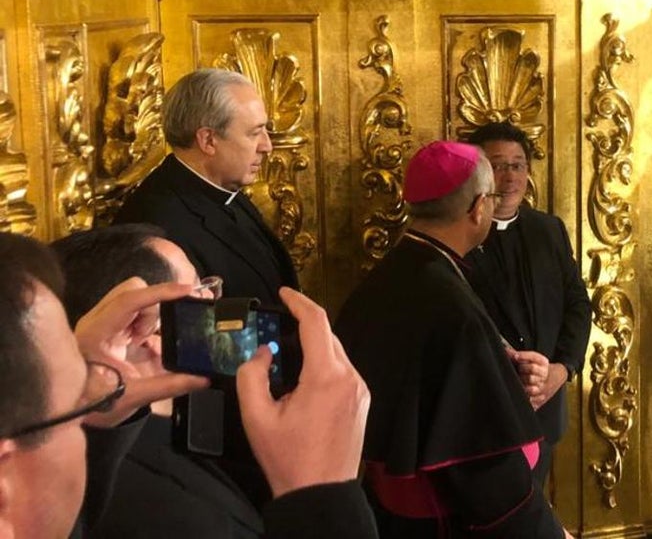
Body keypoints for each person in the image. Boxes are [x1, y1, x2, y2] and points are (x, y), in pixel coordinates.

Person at [0, 231, 376, 539]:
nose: (92, 402)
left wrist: (100, 413)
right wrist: (324, 499)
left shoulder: (115, 428)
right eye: (75, 402)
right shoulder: (165, 516)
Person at [335, 140, 569, 537]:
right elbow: (484, 466)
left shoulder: (389, 276)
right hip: (446, 523)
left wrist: (502, 366)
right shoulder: (446, 298)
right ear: (479, 208)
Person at [51, 224, 264, 537]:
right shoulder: (169, 511)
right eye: (200, 290)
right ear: (145, 329)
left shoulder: (111, 434)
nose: (215, 301)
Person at [463, 122, 591, 486]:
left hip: (544, 407)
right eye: (498, 165)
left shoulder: (548, 230)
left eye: (518, 165)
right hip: (482, 415)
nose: (509, 176)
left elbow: (577, 304)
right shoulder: (458, 234)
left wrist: (562, 369)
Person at [114, 68, 297, 305]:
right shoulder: (159, 225)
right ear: (208, 140)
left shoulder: (221, 186)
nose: (267, 146)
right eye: (255, 133)